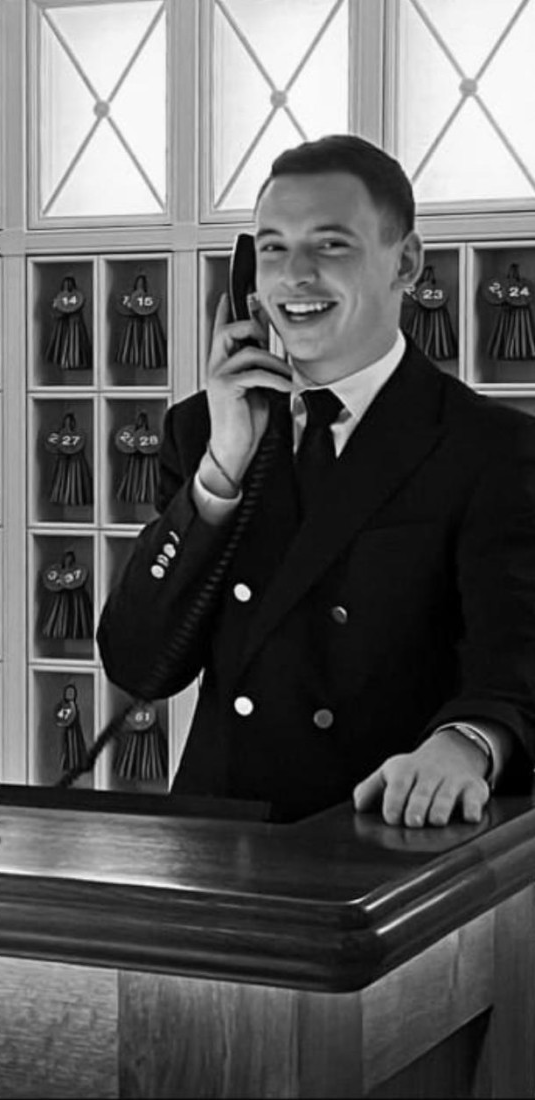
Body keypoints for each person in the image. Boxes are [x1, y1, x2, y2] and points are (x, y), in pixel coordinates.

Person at [97, 133, 535, 827]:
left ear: (407, 264)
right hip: (220, 839)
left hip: (384, 838)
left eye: (330, 245)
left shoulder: (492, 446)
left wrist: (464, 745)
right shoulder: (203, 431)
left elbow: (514, 662)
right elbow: (137, 662)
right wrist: (220, 472)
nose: (293, 276)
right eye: (272, 248)